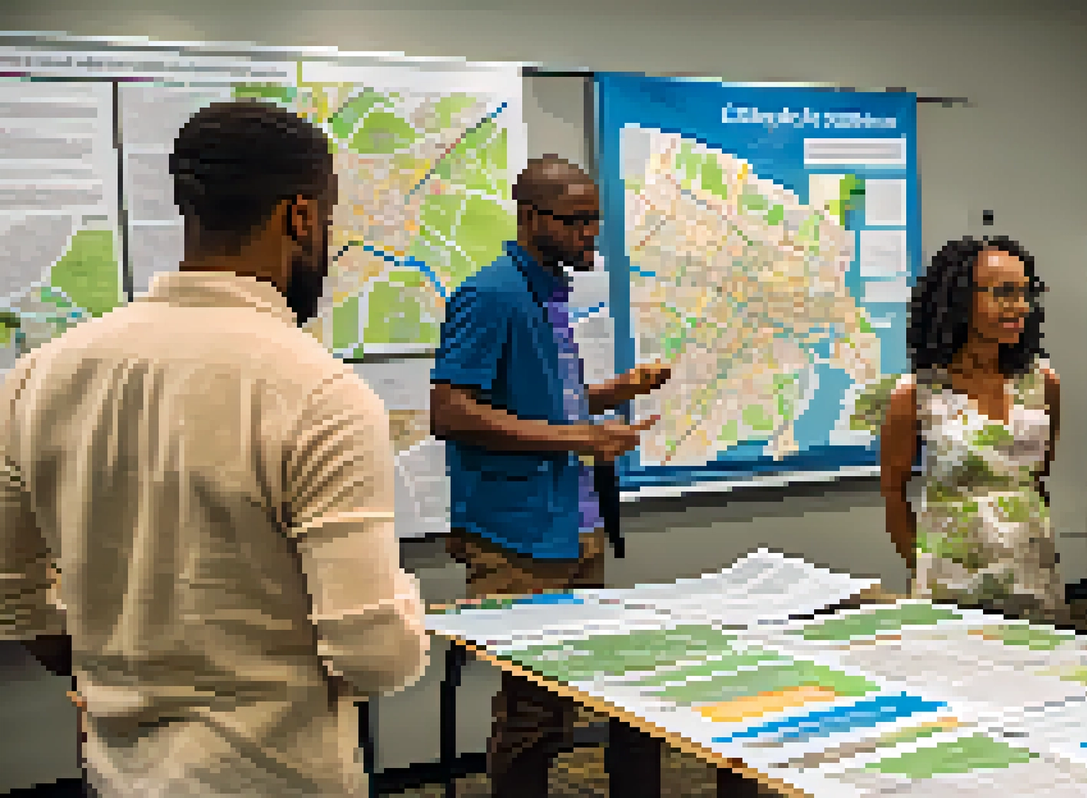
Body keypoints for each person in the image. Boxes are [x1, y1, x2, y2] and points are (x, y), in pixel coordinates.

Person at [0, 100, 431, 797]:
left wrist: (115, 666)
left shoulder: (40, 375)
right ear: (302, 216)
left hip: (117, 775)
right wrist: (406, 602)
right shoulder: (319, 392)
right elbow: (375, 656)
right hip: (279, 779)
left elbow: (14, 597)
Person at [428, 154, 671, 797]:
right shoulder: (491, 296)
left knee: (587, 698)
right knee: (533, 713)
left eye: (595, 222)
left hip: (571, 526)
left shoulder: (548, 295)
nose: (590, 235)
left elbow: (539, 405)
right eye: (576, 222)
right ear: (533, 218)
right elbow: (450, 410)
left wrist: (615, 391)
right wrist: (579, 437)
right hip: (518, 536)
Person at [880, 236, 1065, 623]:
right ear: (958, 299)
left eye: (1025, 293)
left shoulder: (1043, 382)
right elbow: (894, 494)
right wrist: (923, 567)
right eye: (1004, 293)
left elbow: (1037, 479)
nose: (1020, 307)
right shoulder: (916, 393)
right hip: (951, 587)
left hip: (1033, 580)